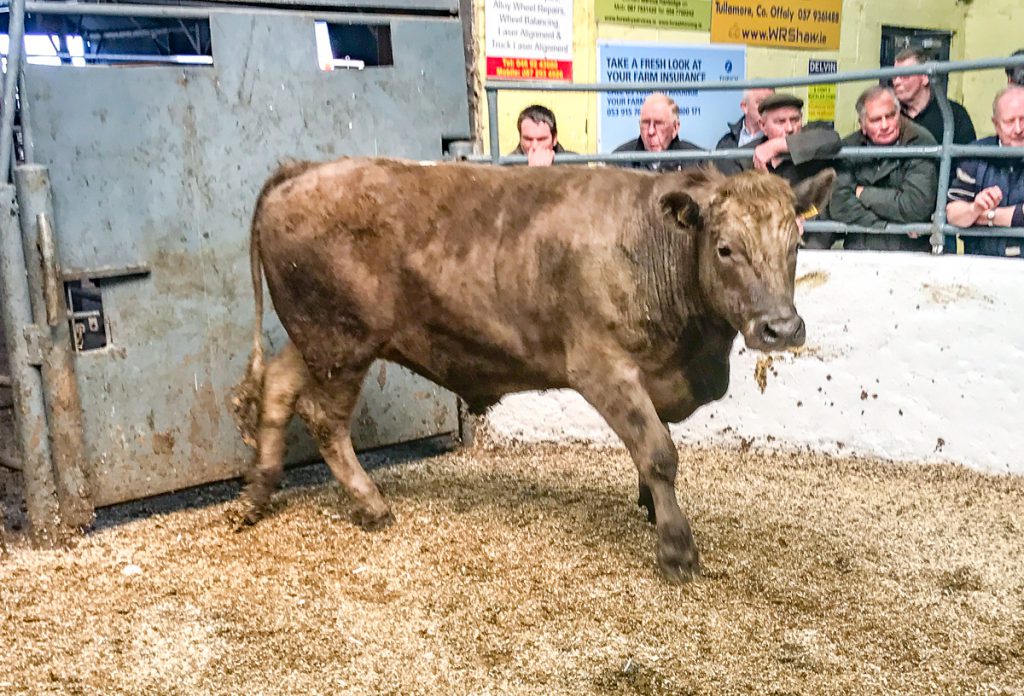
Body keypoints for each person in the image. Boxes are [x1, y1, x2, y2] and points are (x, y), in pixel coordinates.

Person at [825, 86, 937, 252]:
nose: (885, 125)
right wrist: (890, 225)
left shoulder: (919, 141)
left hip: (909, 253)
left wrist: (862, 193)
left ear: (899, 115)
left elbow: (915, 207)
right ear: (862, 125)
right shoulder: (849, 147)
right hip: (860, 248)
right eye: (876, 120)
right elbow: (839, 205)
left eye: (890, 116)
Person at [946, 85, 1024, 258]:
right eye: (1010, 121)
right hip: (980, 263)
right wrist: (975, 208)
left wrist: (985, 216)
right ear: (996, 125)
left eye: (1023, 119)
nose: (1018, 129)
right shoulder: (976, 153)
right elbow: (953, 214)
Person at [891, 47, 976, 145]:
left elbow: (968, 157)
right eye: (894, 76)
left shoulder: (954, 114)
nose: (896, 82)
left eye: (904, 75)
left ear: (925, 77)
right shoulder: (889, 115)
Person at [613, 93, 704, 171]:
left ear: (675, 128)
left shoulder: (697, 162)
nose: (651, 131)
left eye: (659, 123)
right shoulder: (619, 160)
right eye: (645, 123)